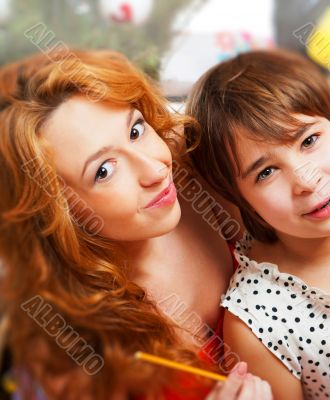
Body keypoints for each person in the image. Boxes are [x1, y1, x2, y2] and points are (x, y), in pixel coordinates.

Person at [0, 49, 272, 399]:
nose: (155, 169)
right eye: (104, 171)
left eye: (135, 130)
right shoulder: (65, 347)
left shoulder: (197, 173)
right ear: (57, 213)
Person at [185, 49, 330, 399]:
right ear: (238, 197)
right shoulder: (258, 321)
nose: (307, 180)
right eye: (266, 172)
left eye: (309, 140)